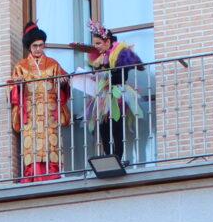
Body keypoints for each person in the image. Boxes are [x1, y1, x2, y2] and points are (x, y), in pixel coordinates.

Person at [11, 23, 70, 181]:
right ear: (29, 47)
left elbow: (64, 81)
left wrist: (63, 82)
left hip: (49, 112)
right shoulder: (21, 66)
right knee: (32, 146)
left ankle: (52, 175)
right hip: (31, 113)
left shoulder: (53, 64)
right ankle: (33, 176)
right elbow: (12, 89)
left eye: (41, 45)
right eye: (35, 46)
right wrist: (18, 84)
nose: (38, 49)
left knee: (51, 145)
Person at [84, 20, 144, 165]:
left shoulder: (121, 53)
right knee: (103, 127)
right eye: (95, 44)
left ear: (107, 41)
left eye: (98, 43)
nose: (96, 46)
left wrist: (108, 73)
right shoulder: (100, 57)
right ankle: (109, 157)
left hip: (117, 93)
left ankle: (118, 157)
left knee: (117, 125)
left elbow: (123, 74)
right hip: (104, 94)